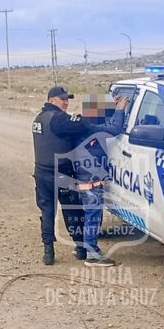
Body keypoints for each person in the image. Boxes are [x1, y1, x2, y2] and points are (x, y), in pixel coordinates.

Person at [32, 86, 124, 265]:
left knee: (47, 211)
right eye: (62, 99)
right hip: (62, 174)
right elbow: (86, 125)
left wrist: (103, 107)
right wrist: (113, 110)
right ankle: (82, 249)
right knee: (72, 210)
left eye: (68, 99)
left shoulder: (39, 118)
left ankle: (48, 252)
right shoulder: (59, 119)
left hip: (41, 173)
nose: (66, 103)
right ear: (52, 100)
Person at [74, 96, 128, 267]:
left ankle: (83, 247)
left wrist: (111, 106)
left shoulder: (81, 125)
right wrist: (120, 109)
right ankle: (92, 254)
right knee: (92, 215)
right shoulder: (91, 129)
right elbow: (114, 128)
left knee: (87, 214)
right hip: (90, 179)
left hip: (82, 175)